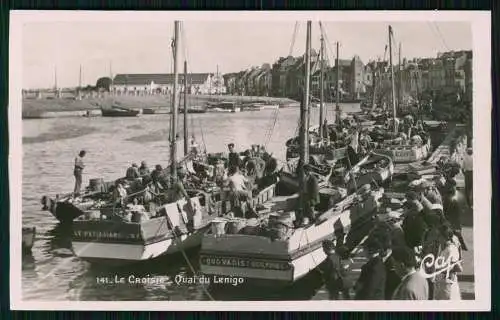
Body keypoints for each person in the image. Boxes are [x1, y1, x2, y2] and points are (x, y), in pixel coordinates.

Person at [433, 223, 463, 300]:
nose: (436, 238)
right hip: (439, 283)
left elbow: (455, 268)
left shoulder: (451, 249)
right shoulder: (441, 246)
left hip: (447, 285)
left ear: (444, 237)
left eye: (438, 235)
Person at [354, 235, 389, 300]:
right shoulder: (371, 264)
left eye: (364, 249)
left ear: (371, 250)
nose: (363, 251)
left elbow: (371, 288)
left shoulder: (376, 266)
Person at [442, 180, 468, 251]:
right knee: (452, 235)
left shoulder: (458, 195)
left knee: (457, 234)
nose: (446, 186)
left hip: (455, 220)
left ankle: (462, 247)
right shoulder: (447, 195)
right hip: (450, 219)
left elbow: (464, 207)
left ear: (453, 186)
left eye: (447, 185)